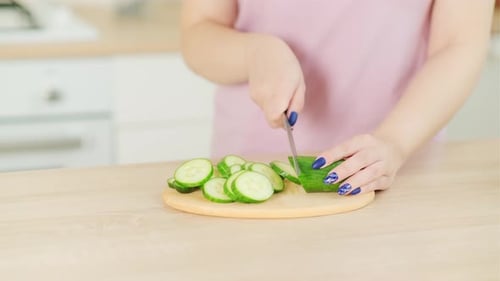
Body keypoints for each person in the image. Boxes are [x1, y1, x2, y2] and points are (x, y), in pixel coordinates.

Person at [180, 0, 495, 196]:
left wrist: (394, 143)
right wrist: (254, 52)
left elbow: (459, 44)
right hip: (256, 168)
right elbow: (198, 32)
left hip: (399, 173)